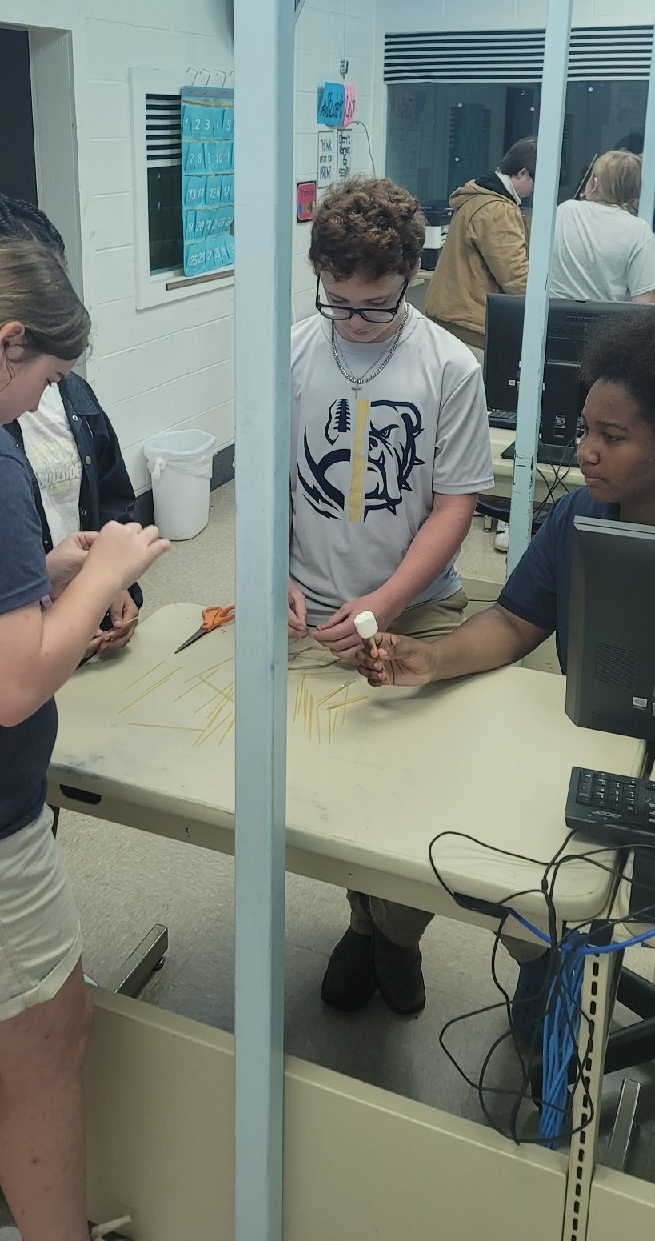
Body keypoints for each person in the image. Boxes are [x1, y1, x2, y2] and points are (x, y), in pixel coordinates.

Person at [0, 239, 168, 1241]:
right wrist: (105, 572)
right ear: (9, 341)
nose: (41, 403)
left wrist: (40, 566)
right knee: (52, 1049)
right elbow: (11, 685)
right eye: (47, 377)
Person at [357, 308, 655, 1039]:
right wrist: (430, 657)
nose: (583, 451)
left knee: (580, 926)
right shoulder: (580, 515)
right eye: (583, 429)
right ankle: (532, 1030)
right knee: (536, 960)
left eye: (609, 437)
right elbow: (516, 620)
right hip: (584, 758)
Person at [289, 177, 494, 1016]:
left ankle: (394, 936)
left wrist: (383, 601)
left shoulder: (448, 366)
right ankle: (358, 923)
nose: (352, 323)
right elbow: (272, 482)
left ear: (410, 273)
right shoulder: (293, 349)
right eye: (335, 301)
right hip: (311, 605)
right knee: (330, 790)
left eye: (372, 307)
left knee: (408, 795)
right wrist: (273, 583)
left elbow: (452, 506)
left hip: (417, 604)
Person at [0, 192, 142, 658]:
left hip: (59, 649)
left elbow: (113, 501)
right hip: (16, 664)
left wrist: (111, 584)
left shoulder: (70, 394)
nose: (39, 401)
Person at [424, 137, 536, 352]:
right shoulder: (497, 210)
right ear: (522, 173)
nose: (535, 190)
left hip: (450, 312)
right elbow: (515, 277)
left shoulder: (478, 197)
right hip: (468, 321)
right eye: (536, 180)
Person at [550, 150, 655, 305]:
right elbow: (644, 301)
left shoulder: (565, 210)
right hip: (608, 326)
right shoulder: (640, 230)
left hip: (552, 319)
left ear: (595, 184)